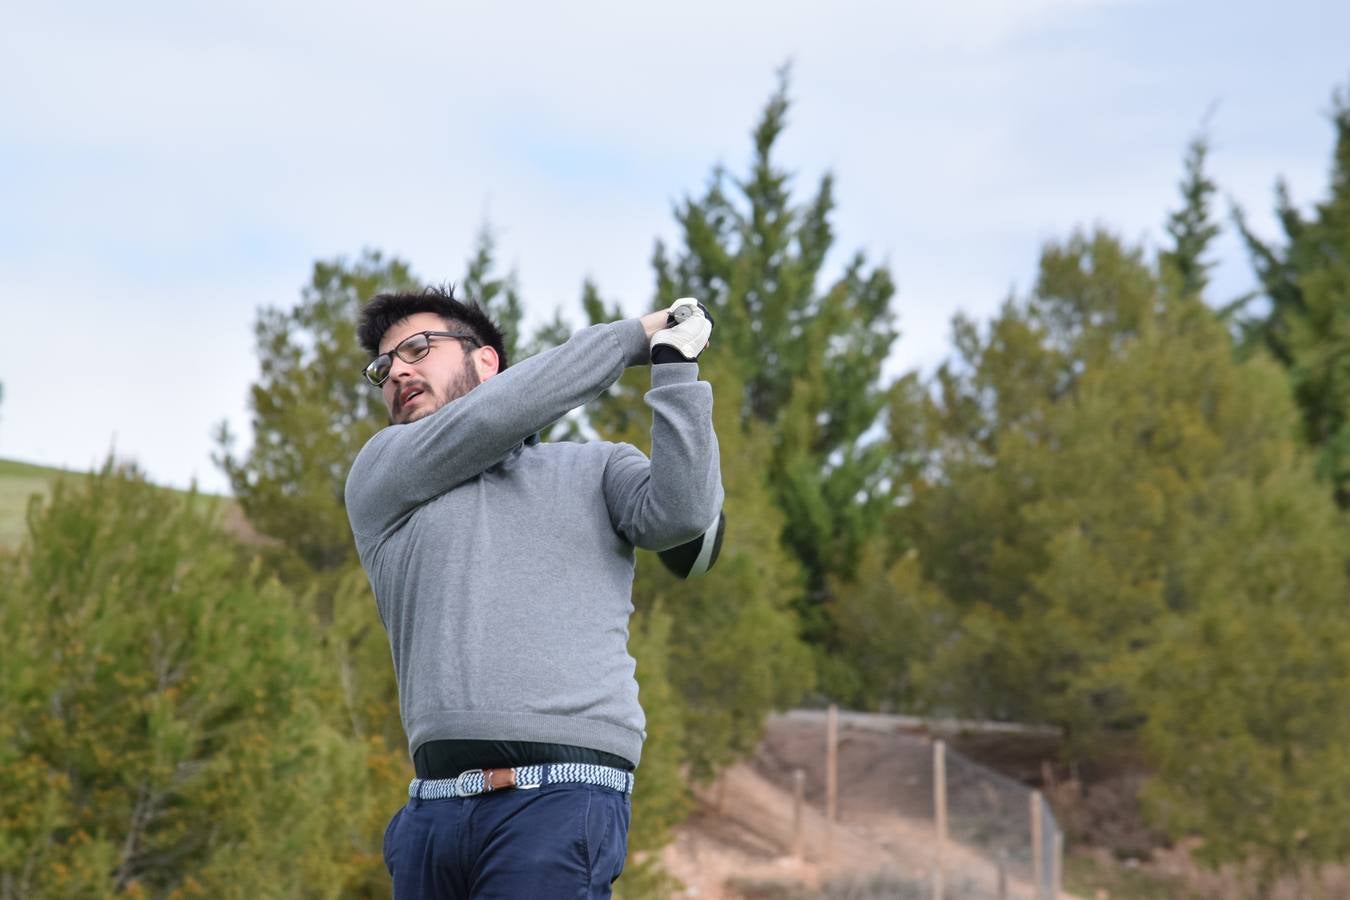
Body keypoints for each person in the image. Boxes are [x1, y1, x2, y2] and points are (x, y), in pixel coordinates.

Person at [343, 286, 724, 898]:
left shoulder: (597, 468)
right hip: (431, 817)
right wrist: (633, 335)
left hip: (562, 799)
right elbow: (495, 416)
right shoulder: (383, 474)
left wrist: (675, 368)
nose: (399, 372)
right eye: (384, 367)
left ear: (487, 361)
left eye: (418, 348)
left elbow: (684, 517)